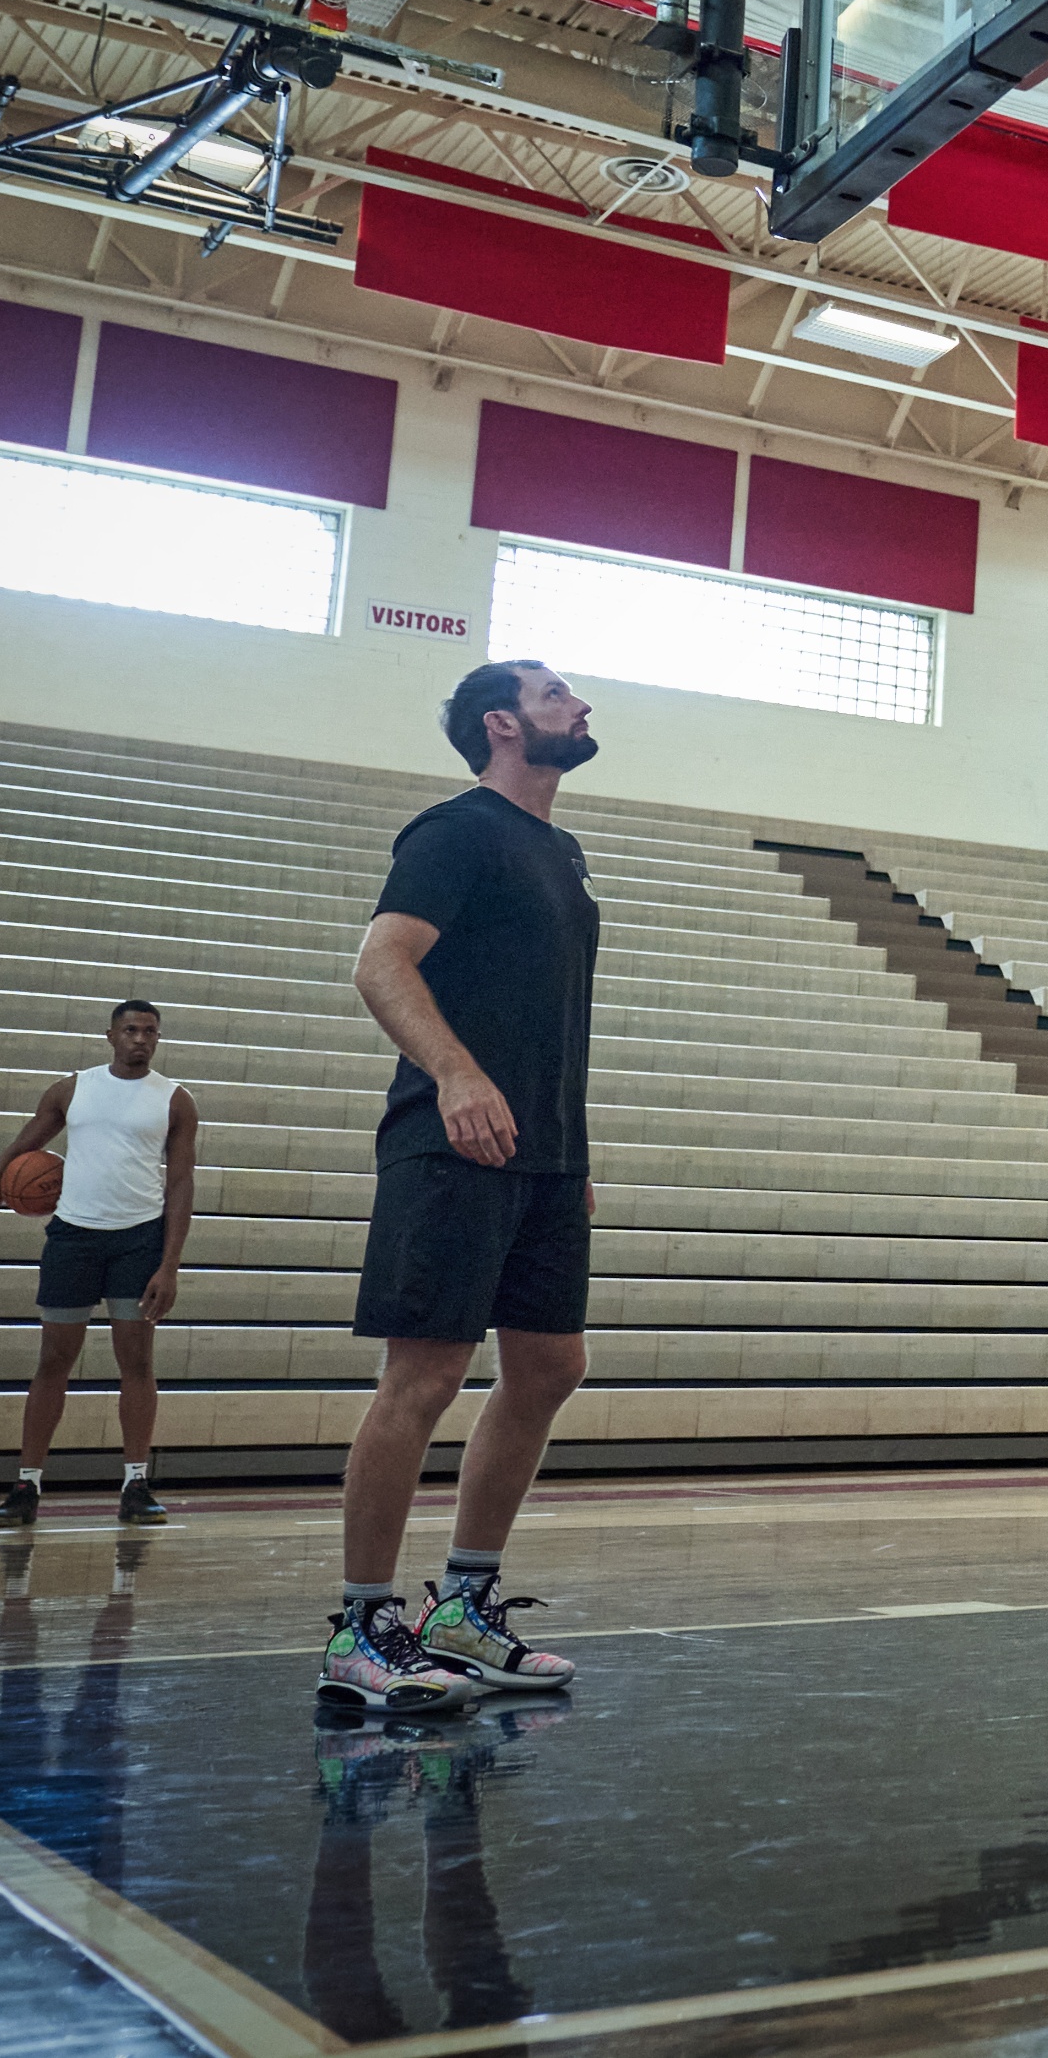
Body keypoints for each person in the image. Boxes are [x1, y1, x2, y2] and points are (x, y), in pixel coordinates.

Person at [321, 660, 601, 1713]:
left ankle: (462, 1611)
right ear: (503, 723)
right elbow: (380, 963)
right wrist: (453, 1073)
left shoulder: (560, 852)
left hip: (543, 1152)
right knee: (425, 1376)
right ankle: (358, 1630)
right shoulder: (455, 830)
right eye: (555, 694)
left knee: (548, 1366)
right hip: (449, 1140)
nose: (579, 707)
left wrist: (571, 1151)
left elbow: (546, 1017)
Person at [0, 998, 195, 1527]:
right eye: (131, 1029)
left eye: (150, 1031)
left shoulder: (175, 1101)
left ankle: (136, 1484)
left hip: (139, 1240)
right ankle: (27, 1486)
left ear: (158, 1038)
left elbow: (180, 1185)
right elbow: (12, 1159)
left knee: (136, 1364)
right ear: (110, 1035)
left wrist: (170, 1263)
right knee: (52, 1363)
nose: (140, 1039)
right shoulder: (71, 1090)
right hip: (73, 1238)